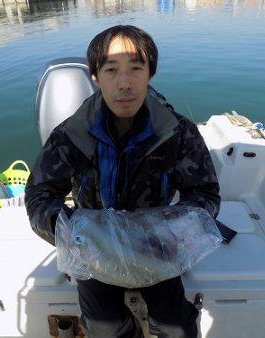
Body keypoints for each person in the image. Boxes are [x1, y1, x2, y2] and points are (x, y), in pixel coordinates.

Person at [25, 25, 220, 338]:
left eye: (136, 69)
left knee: (178, 327)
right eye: (111, 70)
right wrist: (74, 232)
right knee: (105, 329)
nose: (124, 83)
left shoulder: (178, 132)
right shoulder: (70, 135)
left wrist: (175, 233)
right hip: (93, 251)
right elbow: (40, 194)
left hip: (158, 248)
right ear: (95, 76)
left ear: (149, 74)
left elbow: (204, 192)